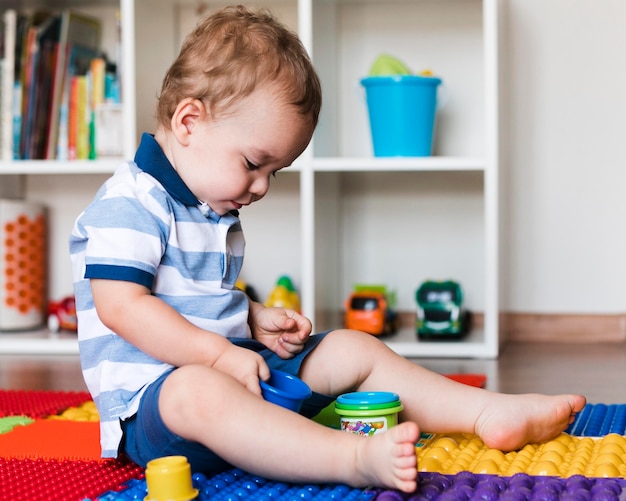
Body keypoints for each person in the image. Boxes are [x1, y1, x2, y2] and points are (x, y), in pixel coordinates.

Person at [70, 5, 586, 494]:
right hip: (156, 412)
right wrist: (217, 353)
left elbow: (187, 296)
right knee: (197, 392)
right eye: (254, 163)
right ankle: (351, 459)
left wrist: (250, 319)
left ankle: (483, 413)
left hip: (237, 374)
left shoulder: (211, 208)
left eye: (276, 171)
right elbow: (123, 306)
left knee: (351, 349)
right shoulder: (130, 203)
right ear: (188, 122)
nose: (262, 187)